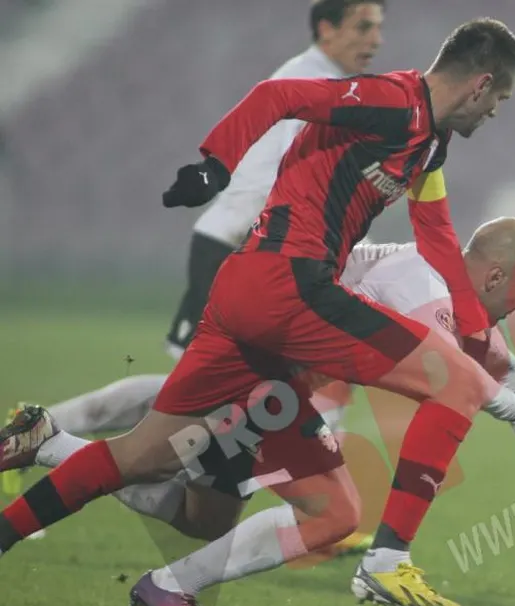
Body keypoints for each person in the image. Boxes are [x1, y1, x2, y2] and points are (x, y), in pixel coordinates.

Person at [0, 18, 515, 606]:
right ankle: (388, 561)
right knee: (452, 381)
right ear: (481, 84)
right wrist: (215, 164)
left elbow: (435, 233)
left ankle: (93, 538)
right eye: (500, 98)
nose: (496, 112)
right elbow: (279, 97)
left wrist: (475, 336)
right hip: (290, 286)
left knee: (293, 500)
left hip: (259, 301)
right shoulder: (391, 102)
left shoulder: (431, 144)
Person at [0, 218, 515, 606]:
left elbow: (498, 362)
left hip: (275, 379)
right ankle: (153, 566)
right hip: (263, 374)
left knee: (198, 512)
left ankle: (54, 445)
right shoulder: (422, 285)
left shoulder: (446, 285)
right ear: (494, 275)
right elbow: (457, 375)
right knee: (326, 510)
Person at [11, 0, 387, 554]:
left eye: (379, 28)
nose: (375, 40)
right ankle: (42, 435)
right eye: (364, 26)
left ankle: (45, 436)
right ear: (326, 29)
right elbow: (288, 182)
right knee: (191, 408)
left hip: (264, 258)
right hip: (241, 253)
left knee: (220, 403)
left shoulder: (334, 88)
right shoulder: (315, 84)